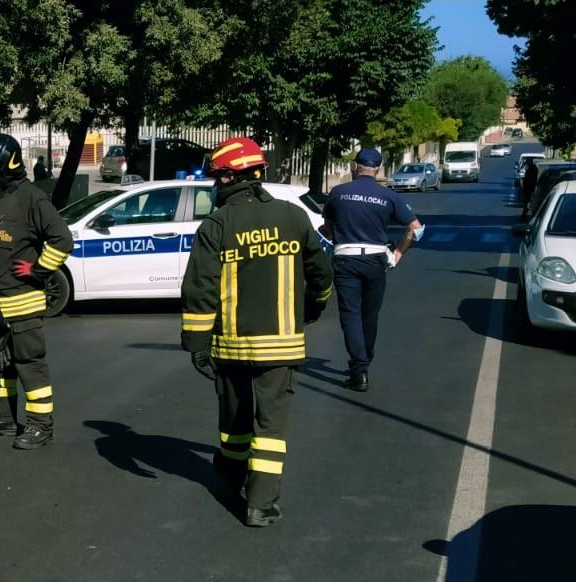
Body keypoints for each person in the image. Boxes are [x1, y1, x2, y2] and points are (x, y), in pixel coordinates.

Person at [181, 137, 334, 527]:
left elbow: (200, 289)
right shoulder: (293, 217)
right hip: (281, 346)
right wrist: (314, 306)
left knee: (235, 417)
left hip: (231, 345)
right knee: (270, 427)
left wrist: (197, 345)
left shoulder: (217, 225)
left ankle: (231, 477)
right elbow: (321, 274)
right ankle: (260, 504)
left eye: (217, 179)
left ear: (233, 178)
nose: (216, 187)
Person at [0, 133, 75, 450]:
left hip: (21, 303)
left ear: (2, 166)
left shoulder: (31, 198)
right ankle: (1, 418)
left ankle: (41, 426)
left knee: (29, 364)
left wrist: (38, 270)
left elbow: (62, 240)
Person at [320, 147, 423, 392]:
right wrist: (397, 253)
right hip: (376, 260)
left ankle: (359, 368)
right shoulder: (387, 196)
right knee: (370, 314)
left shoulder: (338, 192)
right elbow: (416, 228)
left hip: (346, 259)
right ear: (378, 169)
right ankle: (366, 356)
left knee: (350, 315)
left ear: (354, 167)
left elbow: (327, 227)